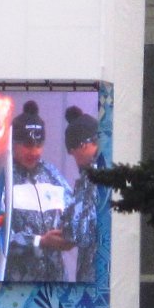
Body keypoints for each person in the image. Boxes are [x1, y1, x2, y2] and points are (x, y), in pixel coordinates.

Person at [0, 101, 75, 282]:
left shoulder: (53, 176)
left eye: (39, 144)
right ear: (14, 143)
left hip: (54, 288)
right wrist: (39, 241)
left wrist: (70, 235)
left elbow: (75, 214)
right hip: (12, 289)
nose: (34, 151)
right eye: (28, 145)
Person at [63, 106, 99, 282]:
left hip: (96, 278)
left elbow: (80, 234)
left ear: (83, 145)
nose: (75, 161)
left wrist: (62, 231)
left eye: (73, 154)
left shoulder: (92, 178)